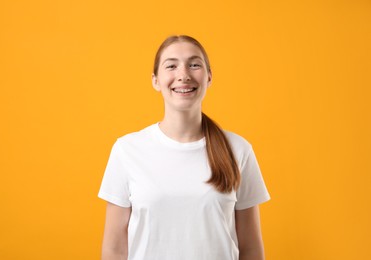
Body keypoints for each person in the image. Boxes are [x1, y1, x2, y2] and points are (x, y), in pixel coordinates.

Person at [98, 35, 271, 260]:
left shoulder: (239, 150)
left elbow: (251, 248)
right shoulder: (127, 150)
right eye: (171, 65)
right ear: (156, 80)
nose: (183, 75)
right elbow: (114, 249)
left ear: (208, 77)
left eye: (194, 65)